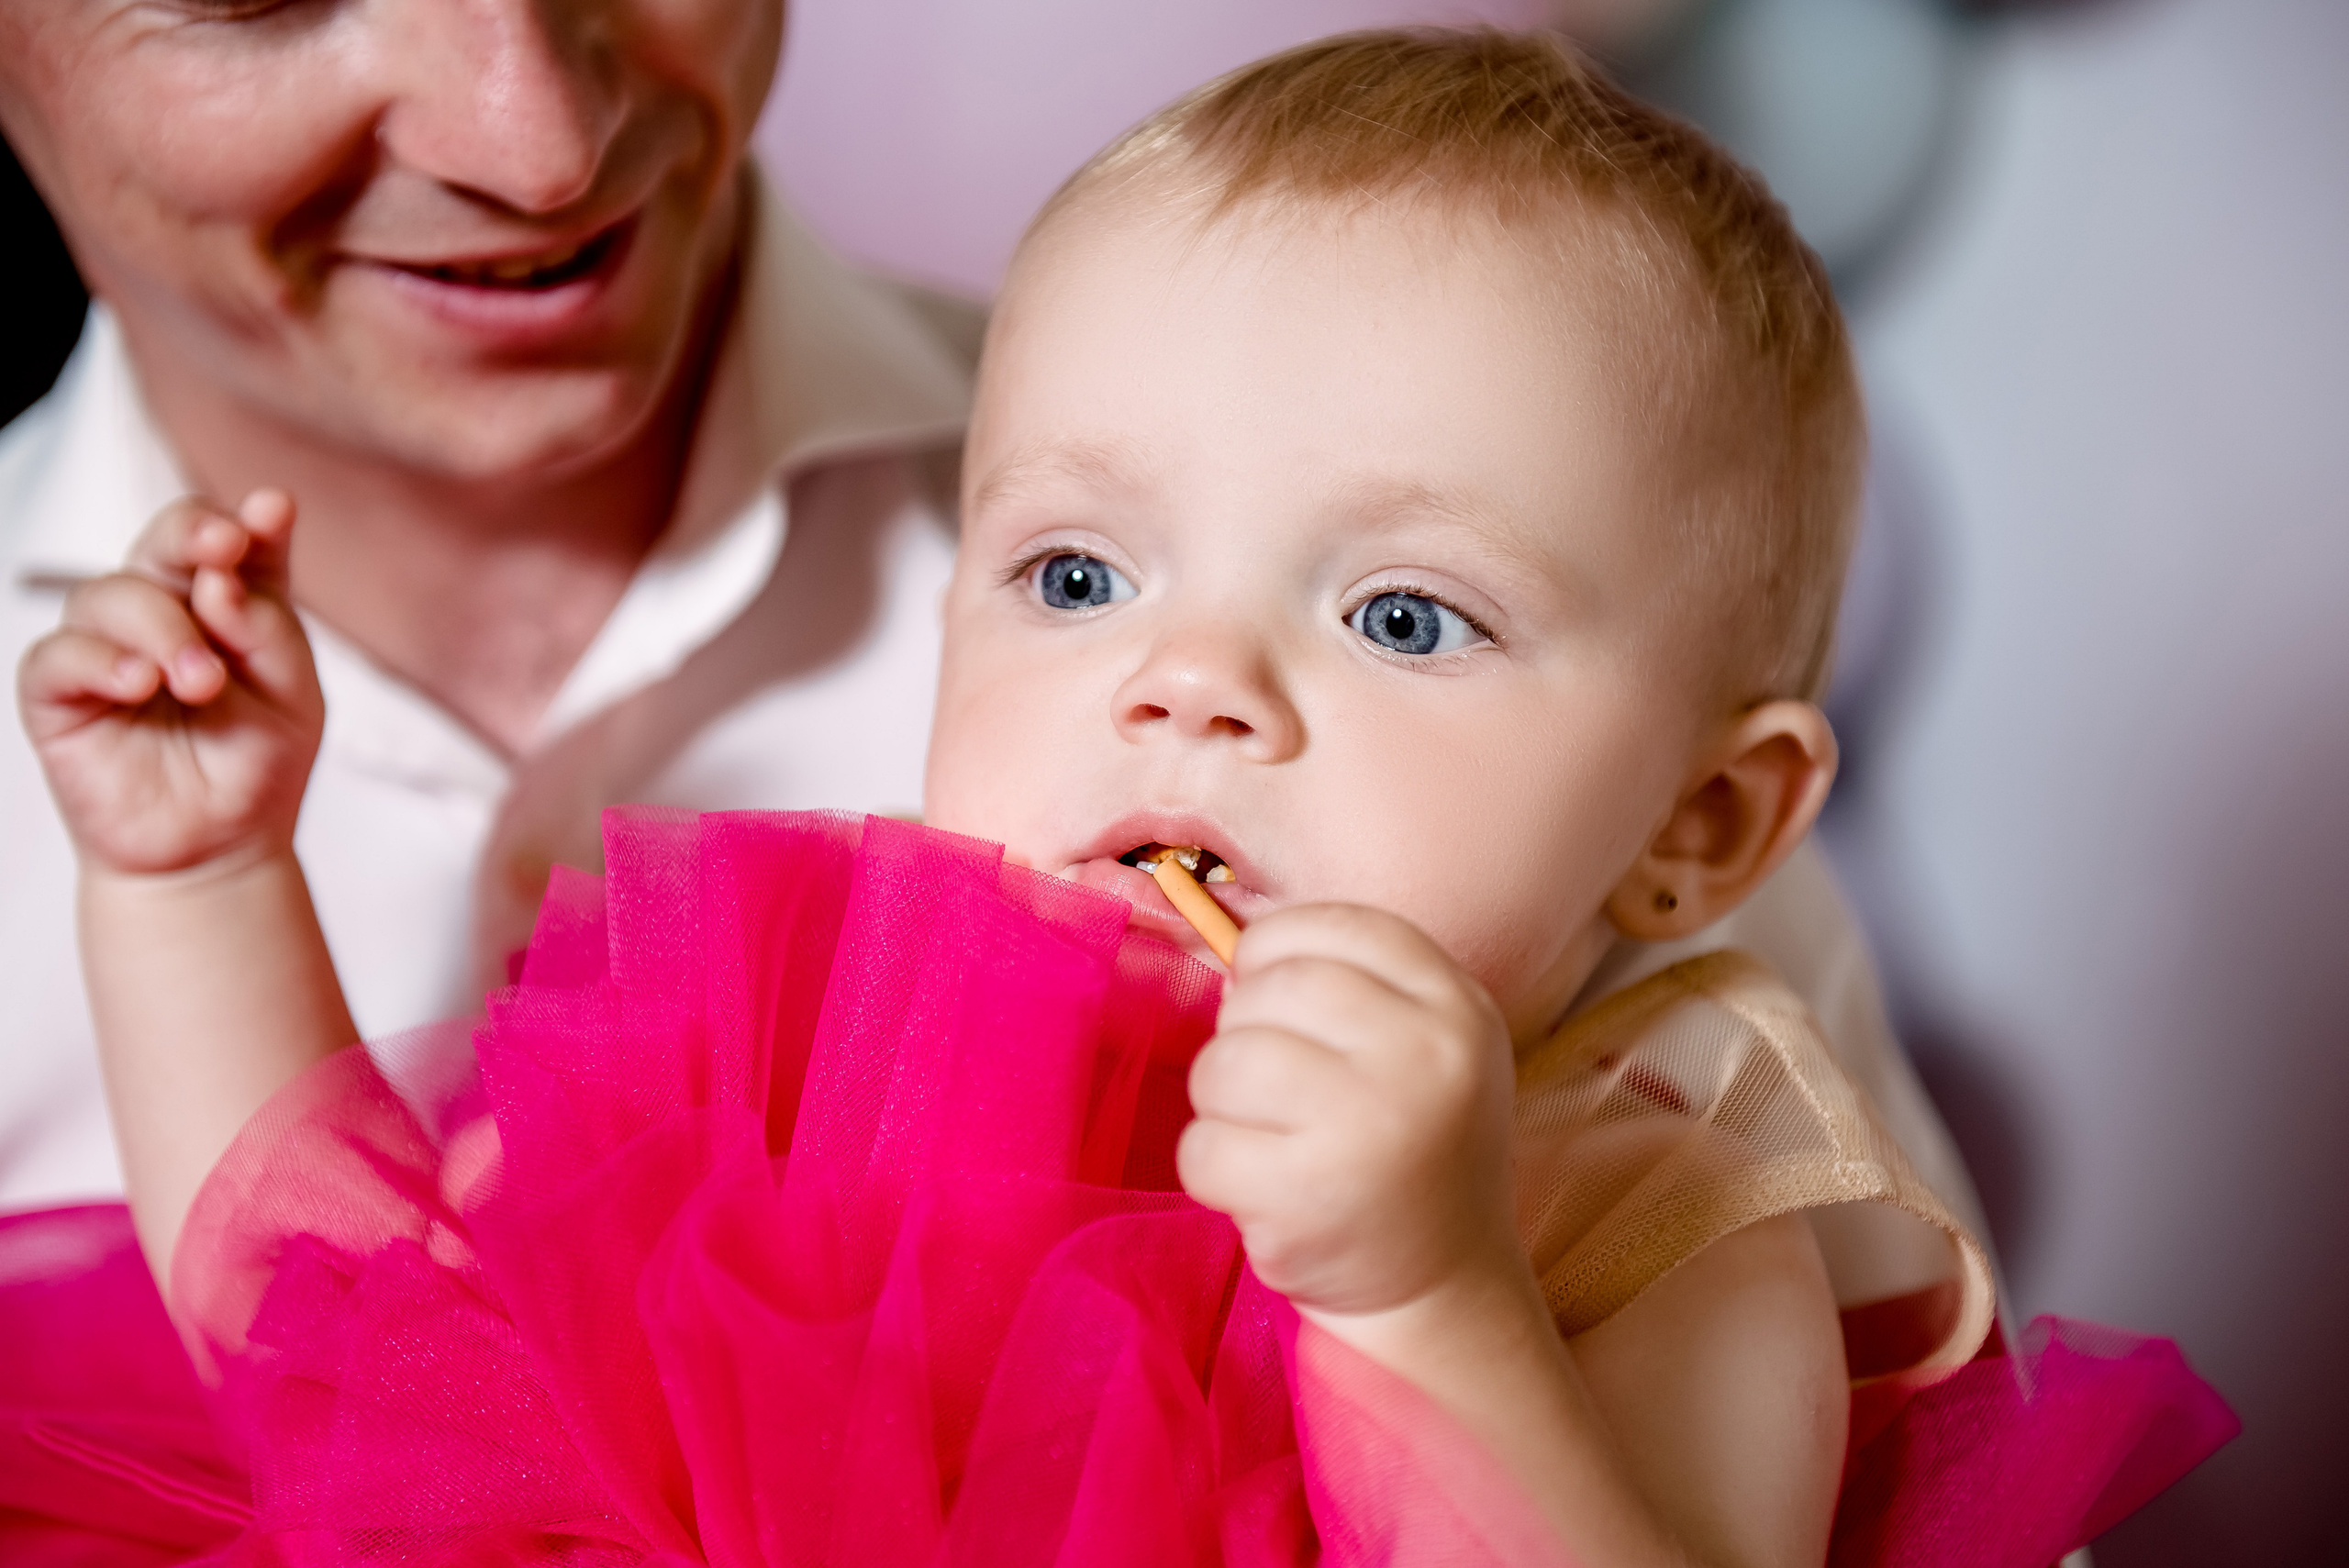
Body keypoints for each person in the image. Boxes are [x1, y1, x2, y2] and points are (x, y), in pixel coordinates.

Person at [13, 30, 2229, 1568]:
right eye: (1075, 578)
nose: (1185, 684)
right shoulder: (806, 1086)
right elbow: (336, 1365)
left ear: (1700, 830)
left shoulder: (1649, 1235)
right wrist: (202, 878)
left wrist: (1418, 1295)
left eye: (1402, 619)